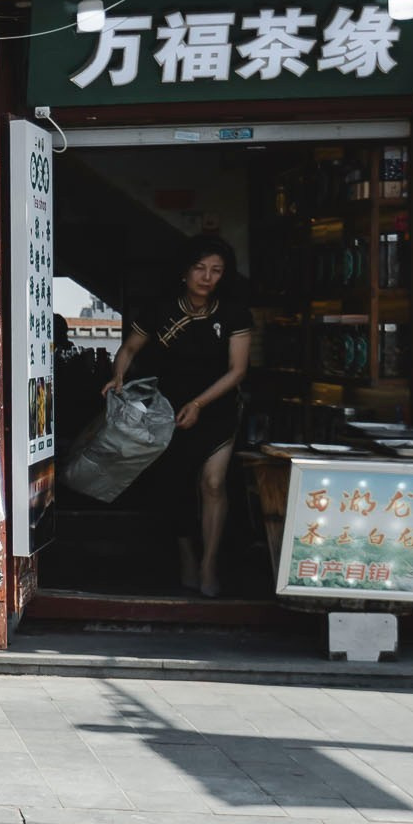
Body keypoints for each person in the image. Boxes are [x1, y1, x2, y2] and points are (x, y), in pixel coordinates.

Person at [102, 235, 253, 597]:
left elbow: (237, 370)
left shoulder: (234, 312)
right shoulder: (161, 309)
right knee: (176, 487)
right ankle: (186, 558)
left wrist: (200, 404)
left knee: (213, 483)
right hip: (167, 412)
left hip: (217, 408)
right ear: (185, 272)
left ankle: (209, 565)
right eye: (200, 268)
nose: (207, 277)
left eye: (216, 270)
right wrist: (118, 374)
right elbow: (129, 349)